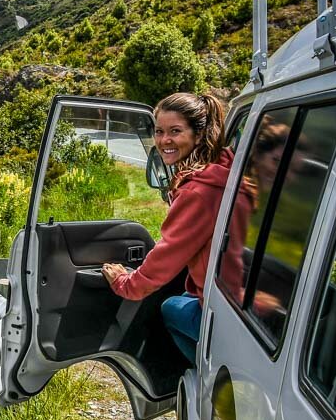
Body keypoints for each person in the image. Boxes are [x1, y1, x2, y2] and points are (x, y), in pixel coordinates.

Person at [100, 92, 251, 364]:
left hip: (227, 315)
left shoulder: (197, 192)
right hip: (247, 300)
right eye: (159, 131)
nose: (164, 141)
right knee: (184, 294)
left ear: (198, 134)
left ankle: (209, 376)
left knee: (171, 307)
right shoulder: (228, 168)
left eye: (175, 131)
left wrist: (125, 284)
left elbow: (166, 256)